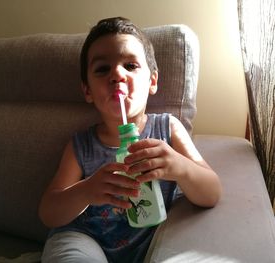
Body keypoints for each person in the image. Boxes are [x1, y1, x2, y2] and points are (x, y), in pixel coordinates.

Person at [39, 17, 222, 263]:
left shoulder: (167, 129)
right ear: (88, 91)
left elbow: (211, 193)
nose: (116, 74)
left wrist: (180, 167)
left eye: (131, 65)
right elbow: (48, 213)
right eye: (103, 68)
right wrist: (86, 191)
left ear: (152, 81)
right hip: (85, 237)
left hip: (151, 241)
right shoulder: (81, 146)